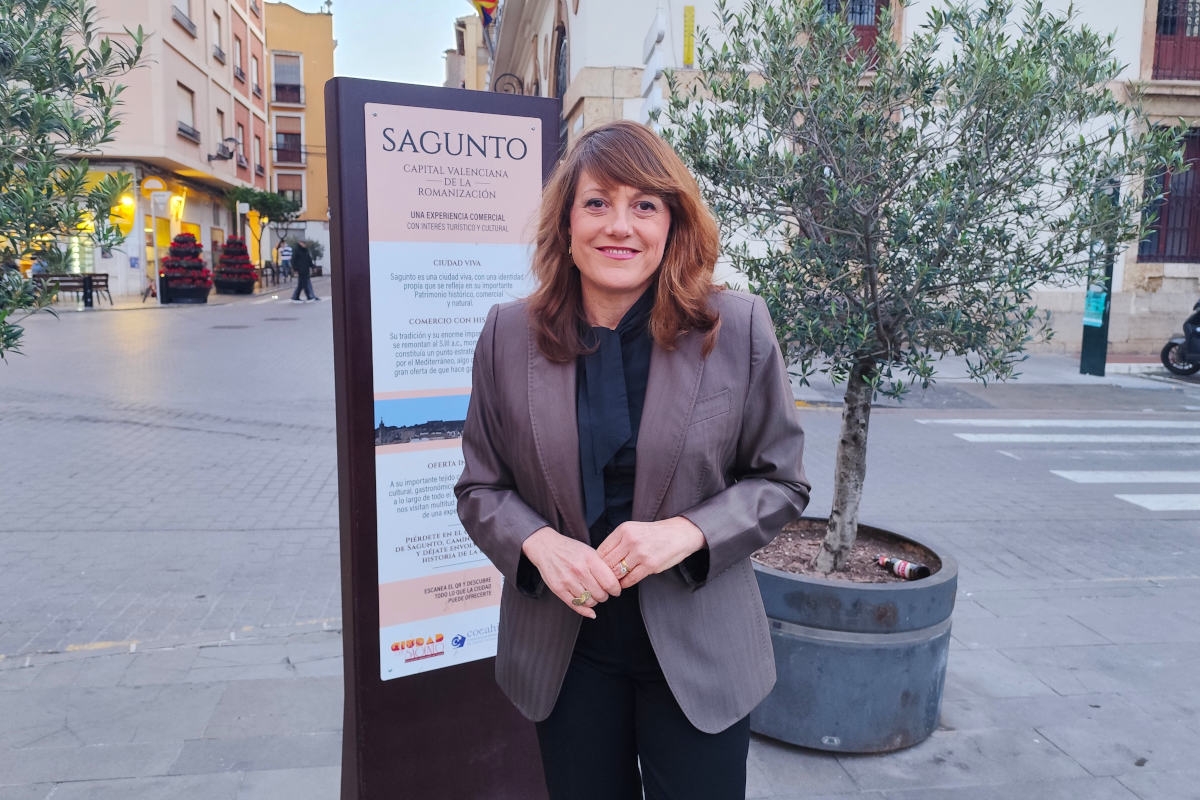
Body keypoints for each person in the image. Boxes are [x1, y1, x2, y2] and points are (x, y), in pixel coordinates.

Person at [455, 120, 810, 800]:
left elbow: (781, 480)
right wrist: (537, 544)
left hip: (700, 644)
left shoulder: (735, 327)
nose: (619, 226)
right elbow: (480, 487)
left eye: (644, 205)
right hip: (567, 649)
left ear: (672, 223)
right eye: (597, 202)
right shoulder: (508, 334)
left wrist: (689, 532)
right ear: (566, 223)